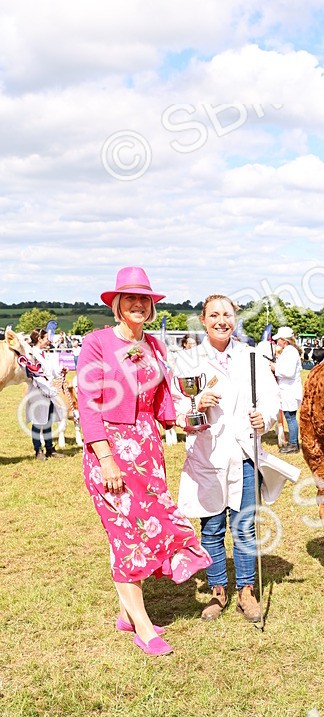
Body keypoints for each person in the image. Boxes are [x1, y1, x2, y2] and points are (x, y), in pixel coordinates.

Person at [76, 267, 211, 656]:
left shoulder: (155, 345)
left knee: (149, 525)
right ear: (117, 304)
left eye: (144, 298)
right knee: (125, 535)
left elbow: (164, 400)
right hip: (111, 450)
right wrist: (106, 458)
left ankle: (126, 612)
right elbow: (89, 404)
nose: (138, 304)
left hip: (149, 450)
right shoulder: (96, 343)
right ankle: (144, 626)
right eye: (130, 298)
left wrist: (191, 416)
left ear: (151, 306)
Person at [172, 294, 280, 622]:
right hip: (207, 454)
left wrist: (267, 417)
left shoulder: (252, 358)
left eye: (228, 315)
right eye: (214, 315)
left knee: (244, 526)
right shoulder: (187, 361)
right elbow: (176, 408)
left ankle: (246, 590)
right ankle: (218, 589)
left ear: (235, 319)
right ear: (203, 320)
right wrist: (196, 404)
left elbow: (272, 398)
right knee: (212, 525)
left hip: (245, 454)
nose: (222, 321)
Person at [24, 329, 65, 460]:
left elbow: (52, 371)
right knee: (38, 422)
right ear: (40, 339)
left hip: (49, 393)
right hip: (38, 392)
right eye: (47, 337)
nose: (49, 340)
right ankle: (38, 450)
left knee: (48, 422)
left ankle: (49, 448)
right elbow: (35, 375)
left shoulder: (45, 354)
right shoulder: (31, 355)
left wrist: (61, 371)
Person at [273, 325, 303, 452]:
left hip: (289, 390)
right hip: (288, 389)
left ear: (284, 341)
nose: (277, 342)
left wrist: (274, 368)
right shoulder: (289, 351)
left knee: (290, 417)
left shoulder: (290, 352)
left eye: (278, 339)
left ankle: (293, 444)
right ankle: (293, 443)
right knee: (290, 416)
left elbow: (289, 372)